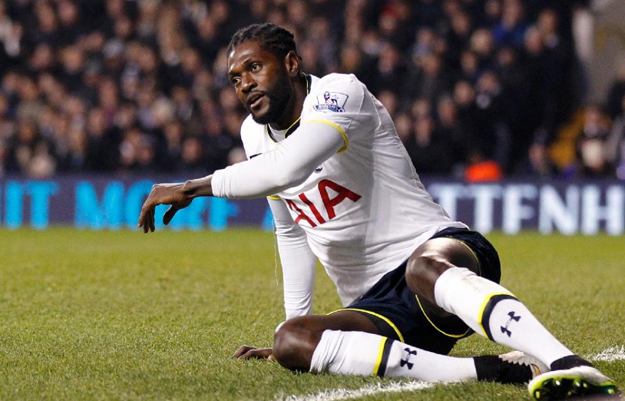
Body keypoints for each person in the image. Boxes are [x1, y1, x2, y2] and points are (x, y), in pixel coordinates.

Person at [138, 24, 618, 400]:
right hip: (380, 308)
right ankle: (490, 370)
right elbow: (291, 230)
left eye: (254, 69)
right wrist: (296, 322)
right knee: (292, 343)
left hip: (441, 254)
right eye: (236, 79)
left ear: (289, 63)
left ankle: (567, 362)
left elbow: (287, 168)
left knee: (423, 267)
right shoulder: (252, 135)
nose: (244, 84)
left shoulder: (339, 93)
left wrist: (192, 187)